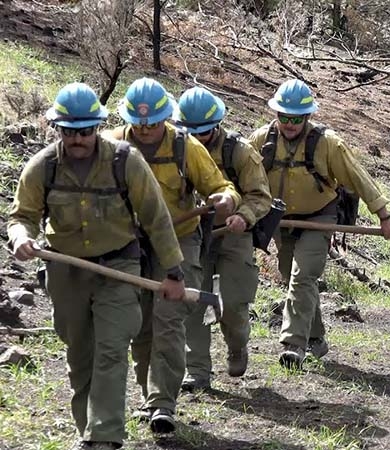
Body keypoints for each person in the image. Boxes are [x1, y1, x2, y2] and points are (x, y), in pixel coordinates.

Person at [6, 83, 185, 450]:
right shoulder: (43, 167)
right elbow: (21, 216)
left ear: (98, 127)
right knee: (80, 354)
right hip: (66, 272)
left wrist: (174, 272)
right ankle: (87, 430)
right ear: (57, 129)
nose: (78, 140)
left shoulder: (124, 161)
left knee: (112, 347)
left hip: (118, 267)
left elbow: (156, 218)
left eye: (85, 131)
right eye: (69, 132)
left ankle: (104, 437)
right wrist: (22, 237)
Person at [102, 78, 241, 433]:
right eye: (139, 122)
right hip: (131, 246)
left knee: (169, 319)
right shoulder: (112, 145)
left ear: (165, 118)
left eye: (153, 122)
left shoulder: (186, 146)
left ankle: (164, 403)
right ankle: (150, 397)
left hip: (179, 244)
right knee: (141, 326)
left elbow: (221, 187)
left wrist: (225, 200)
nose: (146, 129)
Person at [248, 79, 390, 369]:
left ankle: (294, 344)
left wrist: (384, 215)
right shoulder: (260, 141)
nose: (289, 124)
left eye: (296, 118)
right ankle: (316, 338)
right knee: (289, 273)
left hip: (319, 216)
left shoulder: (328, 144)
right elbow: (241, 174)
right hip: (280, 219)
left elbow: (358, 178)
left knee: (303, 276)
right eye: (284, 117)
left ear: (307, 117)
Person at [173, 86, 272, 390]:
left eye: (202, 132)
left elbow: (260, 196)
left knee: (232, 304)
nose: (197, 138)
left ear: (216, 125)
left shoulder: (240, 152)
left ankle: (237, 345)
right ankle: (198, 372)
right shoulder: (173, 150)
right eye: (190, 131)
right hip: (192, 236)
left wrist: (244, 216)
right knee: (191, 301)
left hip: (233, 234)